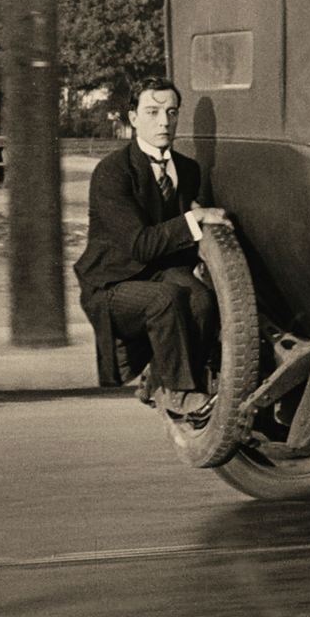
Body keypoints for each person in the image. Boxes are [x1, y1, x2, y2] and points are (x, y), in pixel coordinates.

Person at [74, 77, 232, 414]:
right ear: (133, 118)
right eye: (152, 112)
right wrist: (194, 219)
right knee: (166, 299)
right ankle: (178, 393)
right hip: (112, 283)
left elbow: (179, 242)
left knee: (203, 300)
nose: (164, 122)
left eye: (171, 112)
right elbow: (141, 244)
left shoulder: (188, 170)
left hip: (159, 273)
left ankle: (161, 379)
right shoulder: (112, 172)